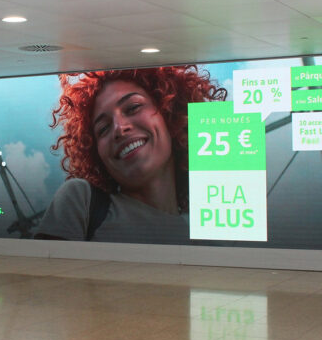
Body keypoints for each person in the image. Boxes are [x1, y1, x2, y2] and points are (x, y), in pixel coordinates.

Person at [35, 65, 226, 243]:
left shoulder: (213, 233)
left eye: (133, 107)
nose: (119, 128)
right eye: (103, 128)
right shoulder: (81, 201)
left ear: (170, 114)